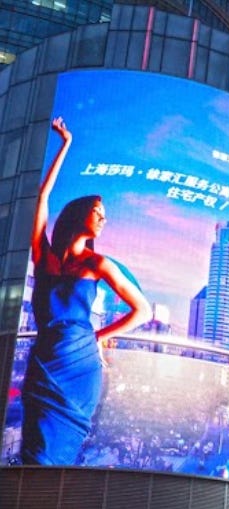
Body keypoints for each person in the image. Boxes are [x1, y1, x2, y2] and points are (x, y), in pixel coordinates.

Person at [20, 117, 151, 465]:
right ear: (80, 214)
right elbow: (42, 197)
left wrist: (99, 336)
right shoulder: (43, 256)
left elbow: (143, 311)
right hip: (45, 363)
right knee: (35, 452)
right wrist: (66, 144)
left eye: (105, 214)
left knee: (56, 458)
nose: (103, 219)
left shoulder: (99, 264)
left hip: (81, 364)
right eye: (98, 212)